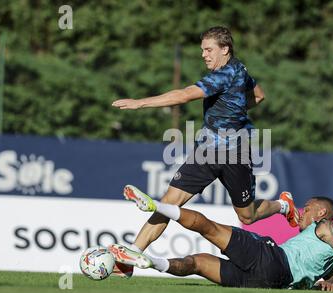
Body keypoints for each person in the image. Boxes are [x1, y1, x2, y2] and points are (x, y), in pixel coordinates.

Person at [111, 26, 299, 277]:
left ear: (225, 49)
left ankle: (283, 205)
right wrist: (236, 112)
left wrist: (140, 103)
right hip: (205, 152)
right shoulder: (239, 70)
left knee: (247, 215)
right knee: (168, 204)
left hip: (235, 154)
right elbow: (259, 96)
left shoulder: (227, 74)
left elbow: (184, 95)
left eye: (209, 50)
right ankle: (130, 259)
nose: (204, 55)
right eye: (202, 50)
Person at [109, 186, 333, 291]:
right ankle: (150, 261)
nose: (303, 212)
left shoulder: (327, 226)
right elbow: (331, 276)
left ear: (322, 212)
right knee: (196, 262)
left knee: (208, 227)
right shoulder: (326, 260)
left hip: (271, 257)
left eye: (307, 208)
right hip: (270, 284)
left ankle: (155, 206)